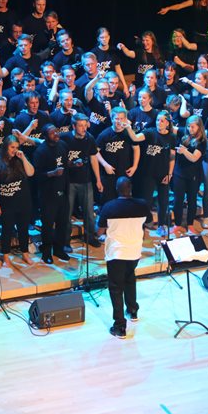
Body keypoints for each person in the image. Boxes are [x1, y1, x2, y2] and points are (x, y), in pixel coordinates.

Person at [97, 177, 149, 339]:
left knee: (116, 287)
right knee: (129, 278)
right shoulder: (142, 205)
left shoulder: (109, 207)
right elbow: (151, 223)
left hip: (116, 253)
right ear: (131, 188)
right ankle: (132, 310)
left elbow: (99, 230)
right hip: (134, 251)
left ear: (116, 189)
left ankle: (120, 326)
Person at [62, 113, 104, 249]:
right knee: (66, 213)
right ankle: (65, 241)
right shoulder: (65, 138)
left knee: (89, 212)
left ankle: (90, 236)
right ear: (73, 126)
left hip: (85, 181)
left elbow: (93, 158)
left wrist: (98, 179)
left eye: (85, 126)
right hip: (69, 182)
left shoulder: (89, 138)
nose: (83, 129)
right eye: (80, 126)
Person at [0, 135, 35, 267]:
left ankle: (25, 253)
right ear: (6, 147)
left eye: (16, 147)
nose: (14, 150)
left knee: (23, 229)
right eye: (12, 147)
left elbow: (31, 173)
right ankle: (5, 255)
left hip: (22, 201)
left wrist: (23, 158)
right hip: (6, 202)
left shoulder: (20, 159)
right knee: (7, 229)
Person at [33, 124, 71, 263]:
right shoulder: (41, 151)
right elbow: (37, 175)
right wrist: (52, 173)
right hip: (48, 195)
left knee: (62, 223)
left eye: (56, 131)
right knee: (48, 225)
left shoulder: (63, 145)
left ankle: (59, 250)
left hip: (63, 191)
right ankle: (46, 252)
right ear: (45, 136)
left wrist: (73, 164)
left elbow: (66, 164)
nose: (56, 134)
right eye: (52, 133)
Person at [172, 115, 206, 234]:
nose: (190, 129)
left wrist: (184, 151)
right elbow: (172, 128)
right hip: (179, 173)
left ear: (199, 127)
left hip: (193, 176)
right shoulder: (183, 133)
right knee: (178, 200)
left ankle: (190, 224)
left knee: (192, 200)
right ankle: (177, 224)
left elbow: (193, 158)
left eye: (192, 127)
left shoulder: (202, 142)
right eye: (188, 126)